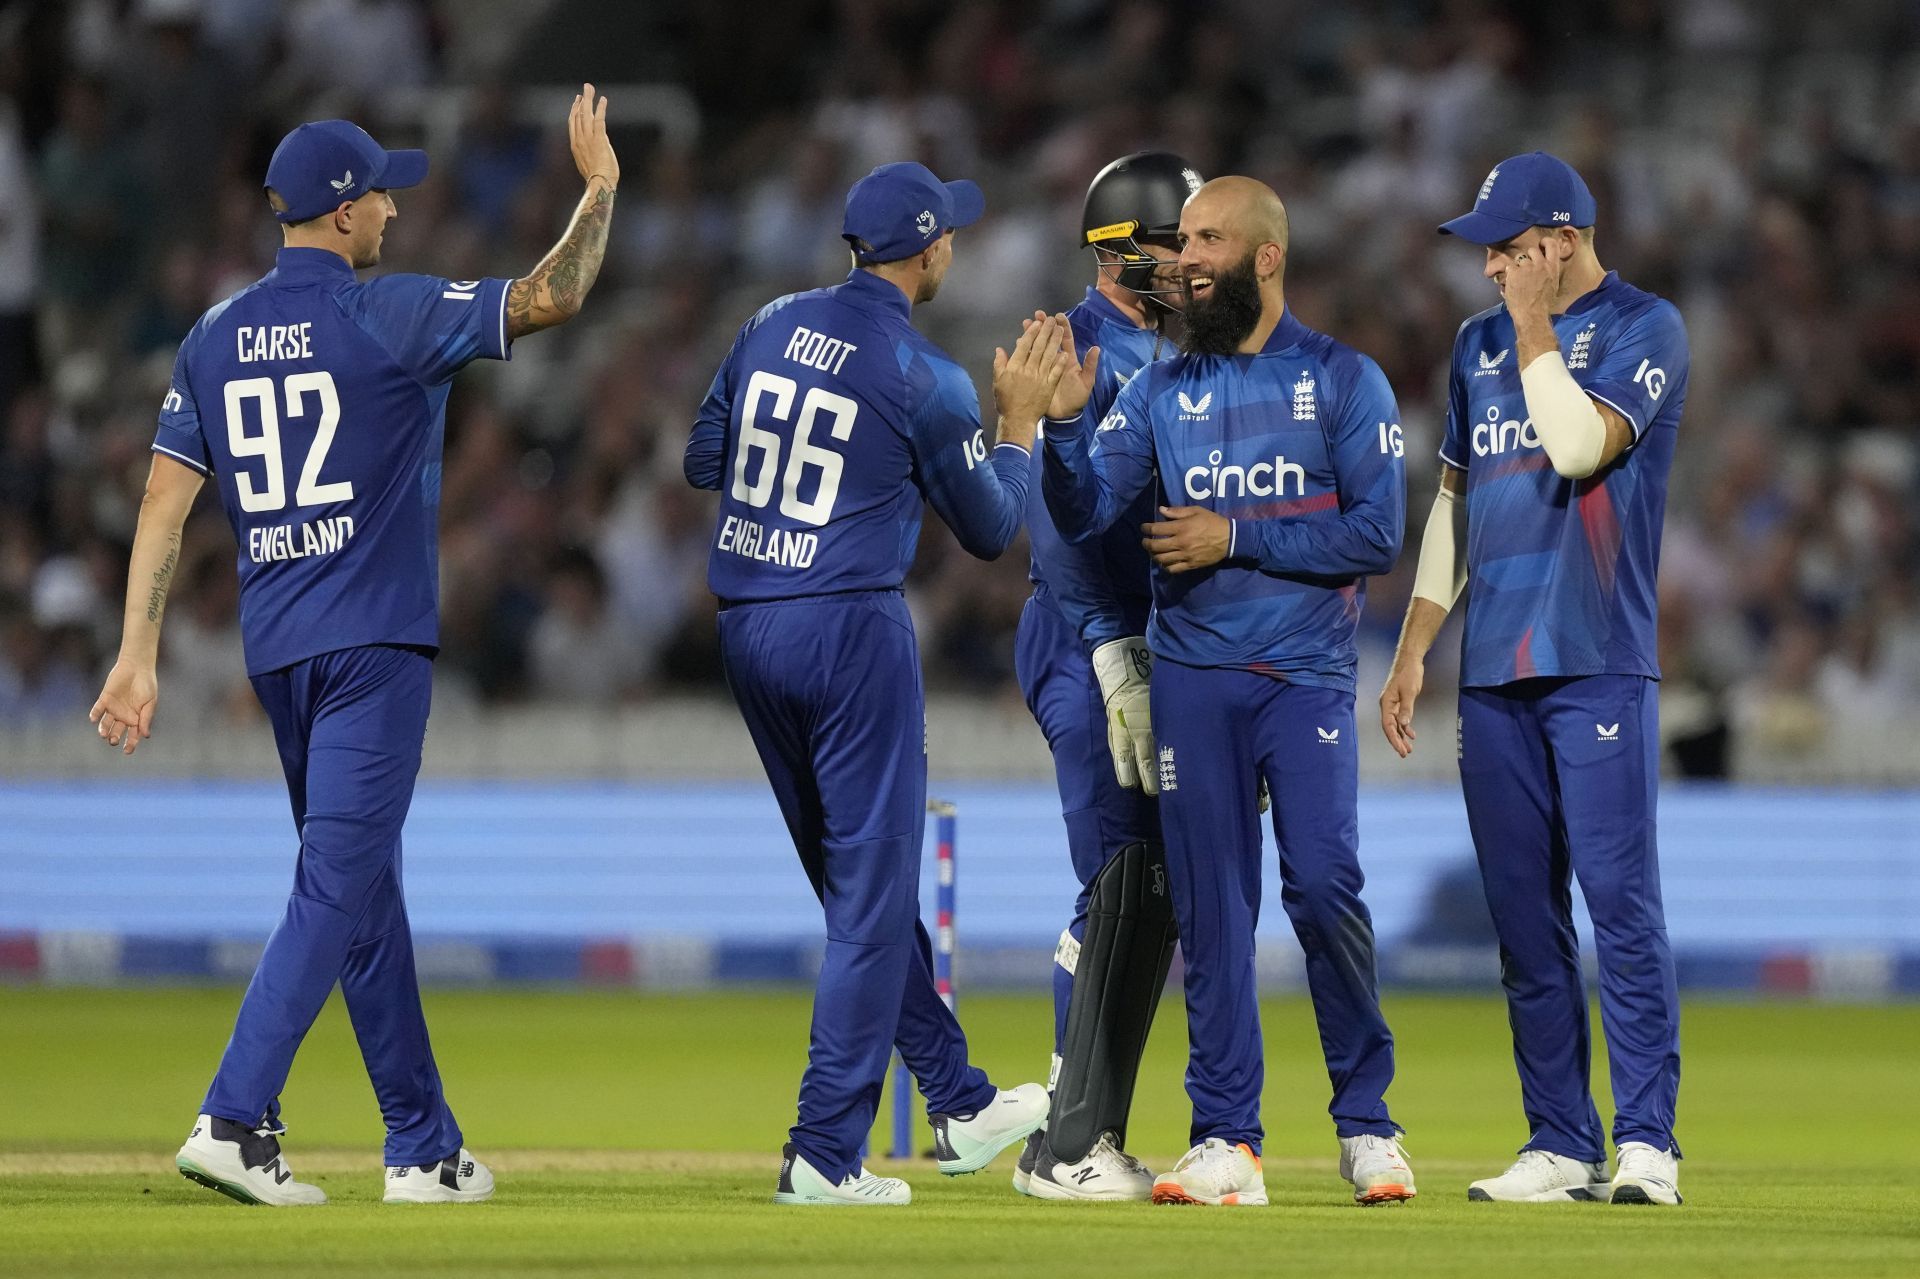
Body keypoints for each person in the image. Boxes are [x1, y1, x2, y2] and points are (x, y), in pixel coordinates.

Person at [89, 87, 621, 1206]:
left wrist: (135, 652)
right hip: (374, 648)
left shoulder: (212, 335)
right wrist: (602, 187)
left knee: (361, 888)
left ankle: (422, 1144)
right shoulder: (396, 312)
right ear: (339, 213)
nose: (391, 205)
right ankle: (236, 1117)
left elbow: (161, 503)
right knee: (337, 884)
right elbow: (552, 296)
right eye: (380, 190)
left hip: (278, 653)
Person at [683, 161, 1063, 1207]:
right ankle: (825, 1151)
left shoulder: (766, 322)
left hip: (748, 627)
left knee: (858, 891)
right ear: (932, 249)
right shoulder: (923, 375)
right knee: (870, 895)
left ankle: (959, 1097)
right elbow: (991, 531)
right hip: (847, 630)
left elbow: (700, 457)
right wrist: (1019, 424)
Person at [1042, 176, 1414, 1208]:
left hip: (1304, 681)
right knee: (1212, 912)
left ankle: (1368, 1126)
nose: (1185, 256)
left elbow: (1378, 535)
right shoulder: (1159, 392)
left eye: (1208, 238)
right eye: (1183, 239)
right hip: (1194, 684)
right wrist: (1065, 428)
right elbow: (1081, 513)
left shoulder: (1343, 380)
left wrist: (1234, 535)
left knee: (1326, 889)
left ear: (1265, 257)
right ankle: (1226, 1140)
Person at [1378, 151, 1688, 1206]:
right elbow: (1455, 506)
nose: (1490, 273)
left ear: (1561, 242)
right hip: (1493, 673)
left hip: (1597, 661)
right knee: (1523, 917)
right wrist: (1419, 641)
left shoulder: (1648, 329)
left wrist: (1534, 329)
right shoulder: (1475, 346)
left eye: (1506, 251)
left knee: (1621, 906)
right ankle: (1559, 1140)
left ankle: (1648, 1143)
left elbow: (1576, 448)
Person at [1010, 151, 1199, 1202]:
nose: (1193, 259)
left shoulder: (1158, 351)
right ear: (1121, 247)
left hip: (1140, 637)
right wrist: (1105, 642)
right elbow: (1054, 511)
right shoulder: (1080, 345)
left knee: (1142, 888)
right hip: (1091, 639)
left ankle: (1077, 1116)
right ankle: (1070, 1135)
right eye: (1179, 240)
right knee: (1122, 884)